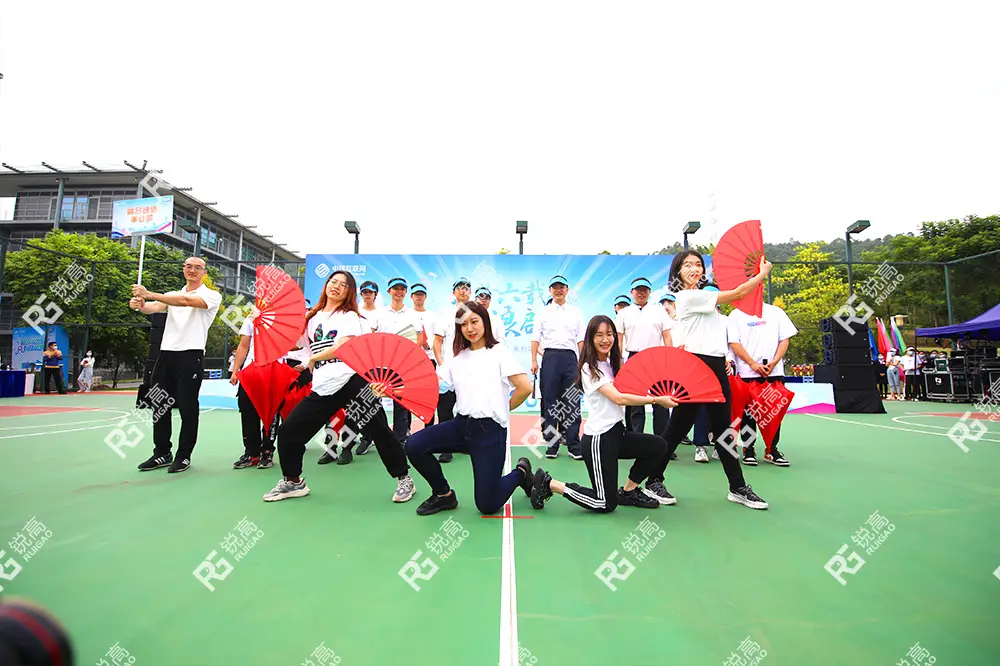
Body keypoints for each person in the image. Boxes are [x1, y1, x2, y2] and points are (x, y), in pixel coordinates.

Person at [263, 270, 416, 503]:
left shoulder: (350, 316)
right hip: (324, 385)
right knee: (289, 431)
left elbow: (342, 348)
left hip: (353, 380)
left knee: (379, 430)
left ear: (349, 292)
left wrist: (313, 359)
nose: (336, 286)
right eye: (333, 281)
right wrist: (264, 321)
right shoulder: (311, 317)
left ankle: (404, 478)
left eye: (343, 285)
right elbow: (294, 344)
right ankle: (293, 481)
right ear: (326, 285)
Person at [643, 250, 771, 510]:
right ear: (678, 272)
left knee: (723, 431)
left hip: (715, 365)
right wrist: (762, 274)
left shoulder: (704, 298)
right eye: (687, 265)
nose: (694, 269)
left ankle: (737, 487)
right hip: (694, 367)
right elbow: (737, 293)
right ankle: (653, 480)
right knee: (677, 428)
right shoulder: (687, 296)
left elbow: (734, 300)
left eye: (698, 264)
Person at [530, 315, 677, 513]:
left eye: (609, 334)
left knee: (658, 446)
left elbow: (630, 388)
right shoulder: (588, 368)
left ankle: (628, 491)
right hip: (599, 440)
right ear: (590, 339)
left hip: (617, 433)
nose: (605, 340)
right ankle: (549, 483)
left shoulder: (612, 364)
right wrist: (656, 400)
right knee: (605, 503)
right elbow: (619, 398)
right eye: (599, 335)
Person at [405, 301, 535, 515]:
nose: (470, 328)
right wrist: (393, 389)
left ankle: (521, 472)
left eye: (474, 322)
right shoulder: (457, 357)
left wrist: (503, 409)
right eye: (464, 324)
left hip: (490, 432)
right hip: (461, 426)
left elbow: (525, 387)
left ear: (485, 322)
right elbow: (432, 383)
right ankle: (443, 495)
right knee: (414, 445)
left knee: (487, 505)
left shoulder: (499, 353)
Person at [130, 256, 222, 473]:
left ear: (204, 273)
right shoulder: (171, 295)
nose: (192, 270)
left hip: (191, 355)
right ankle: (162, 452)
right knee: (159, 404)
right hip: (166, 355)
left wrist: (149, 293)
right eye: (188, 266)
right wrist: (141, 304)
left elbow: (186, 302)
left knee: (188, 407)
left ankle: (184, 455)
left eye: (198, 268)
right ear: (183, 269)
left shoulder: (211, 295)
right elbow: (154, 307)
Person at [230, 309, 307, 470]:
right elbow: (243, 345)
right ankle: (251, 452)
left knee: (271, 412)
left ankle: (267, 451)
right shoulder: (252, 316)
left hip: (274, 370)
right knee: (247, 409)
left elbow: (297, 345)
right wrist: (236, 370)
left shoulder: (284, 319)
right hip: (250, 370)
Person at [727, 299, 798, 467]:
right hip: (747, 373)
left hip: (773, 372)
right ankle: (748, 449)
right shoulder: (735, 315)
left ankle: (772, 450)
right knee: (748, 415)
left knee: (773, 413)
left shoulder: (776, 312)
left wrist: (774, 362)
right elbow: (733, 343)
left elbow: (784, 339)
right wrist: (752, 363)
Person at [530, 275, 586, 459]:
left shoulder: (576, 312)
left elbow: (581, 339)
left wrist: (584, 361)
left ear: (567, 290)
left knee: (572, 402)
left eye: (561, 287)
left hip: (570, 358)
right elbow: (535, 338)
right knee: (550, 402)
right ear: (550, 290)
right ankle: (551, 444)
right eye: (555, 287)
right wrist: (534, 360)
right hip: (550, 358)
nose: (558, 290)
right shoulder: (543, 312)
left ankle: (573, 445)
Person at [615, 277, 674, 435]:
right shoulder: (624, 313)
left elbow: (667, 335)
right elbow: (619, 338)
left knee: (660, 400)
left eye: (645, 290)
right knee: (635, 403)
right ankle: (636, 438)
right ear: (632, 292)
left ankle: (662, 439)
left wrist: (670, 358)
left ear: (649, 292)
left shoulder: (658, 311)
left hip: (656, 358)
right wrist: (619, 360)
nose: (641, 293)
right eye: (638, 290)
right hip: (634, 358)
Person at [371, 277, 425, 445]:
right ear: (389, 291)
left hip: (403, 364)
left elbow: (418, 338)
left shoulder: (412, 314)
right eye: (396, 289)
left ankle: (400, 438)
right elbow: (371, 336)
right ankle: (377, 435)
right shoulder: (379, 313)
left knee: (401, 402)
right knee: (374, 399)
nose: (399, 292)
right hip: (381, 363)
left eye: (402, 289)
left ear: (406, 292)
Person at [433, 277, 474, 463]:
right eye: (459, 288)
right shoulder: (445, 315)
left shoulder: (476, 314)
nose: (463, 291)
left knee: (469, 409)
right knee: (445, 409)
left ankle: (467, 443)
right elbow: (437, 341)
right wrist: (442, 364)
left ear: (470, 292)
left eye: (466, 288)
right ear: (454, 292)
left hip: (470, 369)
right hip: (449, 370)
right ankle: (445, 447)